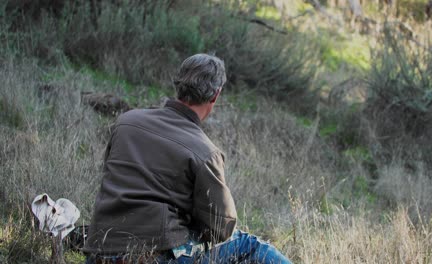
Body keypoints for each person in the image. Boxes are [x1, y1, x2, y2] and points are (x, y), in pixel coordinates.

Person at [83, 54, 291, 264]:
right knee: (248, 245)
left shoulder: (126, 122)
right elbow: (222, 226)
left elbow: (110, 176)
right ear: (215, 96)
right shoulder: (205, 152)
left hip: (99, 252)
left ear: (179, 84)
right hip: (153, 257)